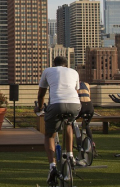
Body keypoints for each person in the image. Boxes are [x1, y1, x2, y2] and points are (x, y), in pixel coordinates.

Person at [34, 56, 80, 186]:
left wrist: (41, 107)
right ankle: (70, 155)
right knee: (69, 124)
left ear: (54, 64)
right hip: (74, 104)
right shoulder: (74, 72)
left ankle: (52, 166)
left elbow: (41, 94)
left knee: (49, 134)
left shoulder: (48, 71)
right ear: (66, 65)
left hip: (56, 104)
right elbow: (75, 91)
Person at [76, 68, 94, 166]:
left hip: (81, 105)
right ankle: (92, 144)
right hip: (89, 106)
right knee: (86, 125)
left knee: (71, 123)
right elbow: (89, 96)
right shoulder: (87, 84)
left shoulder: (75, 85)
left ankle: (79, 146)